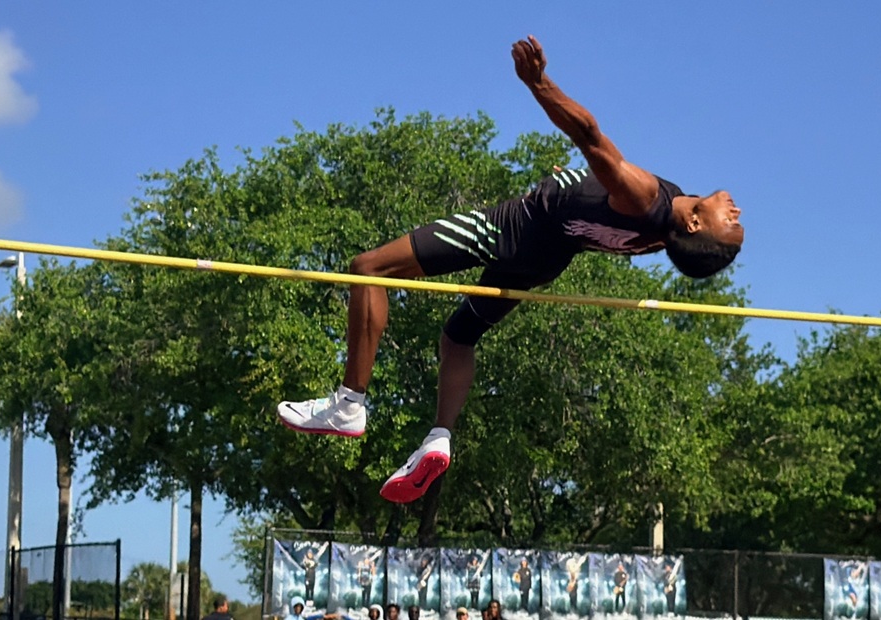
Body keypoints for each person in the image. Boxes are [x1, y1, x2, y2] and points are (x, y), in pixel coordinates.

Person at [278, 35, 744, 504]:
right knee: (458, 338)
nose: (737, 211)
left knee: (369, 268)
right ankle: (439, 436)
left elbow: (590, 135)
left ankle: (348, 405)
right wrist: (575, 185)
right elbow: (597, 212)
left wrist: (539, 83)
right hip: (540, 264)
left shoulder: (647, 197)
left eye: (729, 224)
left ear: (694, 222)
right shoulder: (659, 238)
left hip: (510, 229)